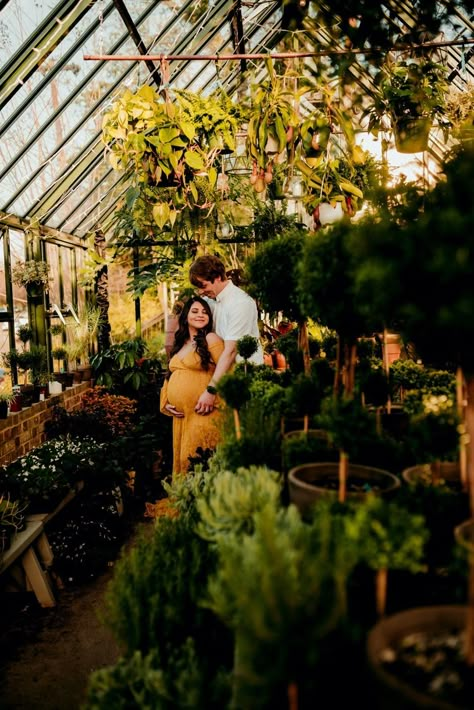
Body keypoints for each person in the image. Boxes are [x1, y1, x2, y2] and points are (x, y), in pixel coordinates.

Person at [189, 254, 264, 416]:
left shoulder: (241, 303)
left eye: (203, 285)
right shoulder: (209, 301)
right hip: (224, 378)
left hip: (244, 379)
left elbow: (231, 351)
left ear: (216, 277)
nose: (201, 292)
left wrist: (210, 391)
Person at [160, 295, 224, 475]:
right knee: (184, 460)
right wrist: (165, 401)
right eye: (195, 311)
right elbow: (170, 374)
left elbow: (226, 371)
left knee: (198, 461)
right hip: (181, 417)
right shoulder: (181, 343)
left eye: (205, 312)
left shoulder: (211, 339)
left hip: (203, 412)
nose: (200, 315)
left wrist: (213, 395)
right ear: (186, 316)